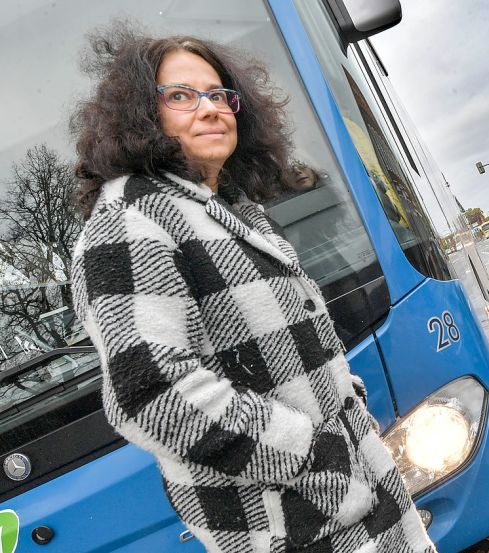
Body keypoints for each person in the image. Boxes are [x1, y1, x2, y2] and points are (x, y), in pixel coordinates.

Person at [71, 30, 436, 553]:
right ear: (138, 116)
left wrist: (344, 400)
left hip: (356, 504)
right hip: (296, 524)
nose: (211, 109)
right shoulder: (130, 222)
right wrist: (311, 453)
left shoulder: (228, 210)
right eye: (180, 95)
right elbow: (153, 396)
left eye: (220, 95)